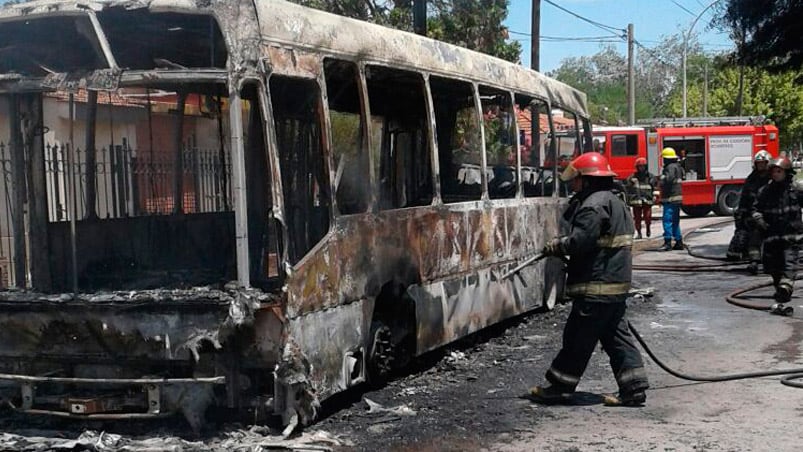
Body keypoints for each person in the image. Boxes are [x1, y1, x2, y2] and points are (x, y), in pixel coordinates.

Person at [529, 152, 650, 406]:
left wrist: (557, 245)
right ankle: (634, 387)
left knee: (577, 337)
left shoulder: (592, 206)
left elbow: (581, 241)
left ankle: (560, 386)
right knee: (616, 337)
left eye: (576, 180)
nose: (573, 185)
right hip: (615, 285)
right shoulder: (616, 202)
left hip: (597, 286)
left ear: (586, 180)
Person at [749, 156, 803, 316]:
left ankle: (785, 287)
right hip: (772, 235)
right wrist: (759, 220)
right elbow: (755, 209)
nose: (776, 174)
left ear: (786, 172)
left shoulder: (796, 189)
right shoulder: (765, 191)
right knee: (772, 266)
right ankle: (781, 293)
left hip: (791, 235)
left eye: (779, 171)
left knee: (789, 263)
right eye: (773, 171)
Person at [726, 151, 772, 272]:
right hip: (755, 214)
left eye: (763, 163)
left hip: (772, 214)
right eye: (759, 163)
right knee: (754, 236)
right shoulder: (752, 179)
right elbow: (745, 197)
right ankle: (754, 261)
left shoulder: (773, 178)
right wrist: (742, 213)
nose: (761, 166)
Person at [659, 147, 685, 251]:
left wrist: (660, 178)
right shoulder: (678, 167)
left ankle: (667, 242)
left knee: (667, 220)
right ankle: (678, 242)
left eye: (664, 158)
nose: (663, 160)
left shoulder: (669, 167)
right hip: (677, 198)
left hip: (670, 198)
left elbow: (668, 179)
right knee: (675, 221)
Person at [626, 157, 656, 239]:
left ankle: (648, 229)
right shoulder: (632, 177)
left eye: (643, 166)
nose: (641, 168)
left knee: (648, 217)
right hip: (636, 201)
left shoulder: (651, 177)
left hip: (647, 199)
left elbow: (655, 187)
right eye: (639, 166)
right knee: (637, 218)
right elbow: (628, 188)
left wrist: (654, 197)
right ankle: (639, 233)